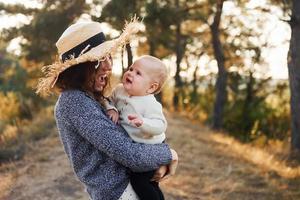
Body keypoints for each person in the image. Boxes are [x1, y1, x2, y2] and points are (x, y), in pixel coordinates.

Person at [36, 19, 178, 200]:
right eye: (98, 60)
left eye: (108, 56)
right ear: (79, 68)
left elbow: (131, 140)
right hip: (120, 192)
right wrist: (169, 154)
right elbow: (129, 154)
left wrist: (159, 159)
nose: (108, 66)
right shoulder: (74, 101)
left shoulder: (90, 96)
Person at [104, 55, 169, 199]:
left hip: (152, 147)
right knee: (149, 183)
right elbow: (107, 100)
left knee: (141, 182)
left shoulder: (150, 104)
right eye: (131, 69)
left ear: (151, 87)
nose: (130, 73)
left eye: (138, 73)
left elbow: (160, 125)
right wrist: (111, 109)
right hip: (136, 147)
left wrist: (143, 122)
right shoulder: (119, 90)